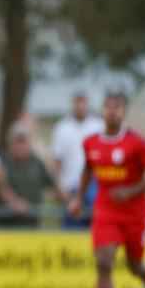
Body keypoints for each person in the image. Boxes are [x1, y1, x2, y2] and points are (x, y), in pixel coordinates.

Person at [68, 92, 145, 288]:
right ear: (101, 111)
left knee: (133, 265)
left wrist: (130, 190)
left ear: (124, 111)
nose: (111, 111)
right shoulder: (90, 142)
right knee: (104, 260)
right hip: (106, 210)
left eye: (116, 107)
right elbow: (88, 168)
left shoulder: (137, 143)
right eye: (107, 106)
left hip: (135, 212)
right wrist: (78, 198)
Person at [51, 92, 104, 227]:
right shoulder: (62, 128)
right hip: (71, 187)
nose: (80, 107)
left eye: (83, 103)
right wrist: (59, 186)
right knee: (73, 227)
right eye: (77, 103)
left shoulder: (98, 126)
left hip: (94, 186)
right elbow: (57, 161)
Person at [0, 121, 65, 227]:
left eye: (23, 142)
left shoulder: (37, 162)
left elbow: (53, 183)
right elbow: (0, 186)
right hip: (5, 223)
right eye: (17, 142)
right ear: (10, 143)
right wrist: (14, 203)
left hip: (32, 222)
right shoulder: (2, 161)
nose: (20, 147)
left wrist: (68, 200)